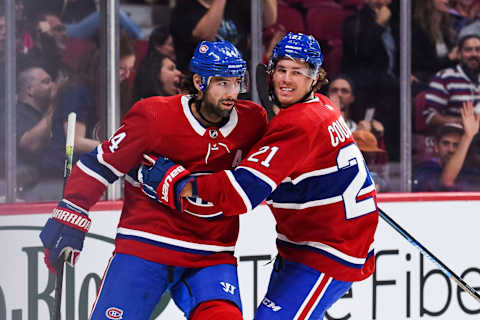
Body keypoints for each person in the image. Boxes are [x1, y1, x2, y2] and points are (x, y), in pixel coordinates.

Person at [139, 32, 379, 319]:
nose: (286, 79)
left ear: (316, 77)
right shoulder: (322, 105)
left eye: (297, 72)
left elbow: (243, 193)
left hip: (328, 251)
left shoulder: (299, 123)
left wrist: (180, 184)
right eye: (281, 69)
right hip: (312, 243)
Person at [39, 40, 268, 319]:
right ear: (199, 81)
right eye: (222, 83)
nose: (232, 93)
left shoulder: (253, 121)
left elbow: (274, 169)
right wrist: (72, 212)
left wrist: (283, 117)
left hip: (212, 253)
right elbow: (101, 164)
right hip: (147, 245)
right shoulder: (154, 115)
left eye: (237, 82)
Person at [42, 32, 136, 177]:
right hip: (62, 173)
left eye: (131, 69)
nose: (127, 75)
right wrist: (118, 150)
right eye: (122, 68)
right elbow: (75, 141)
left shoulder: (112, 93)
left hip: (91, 172)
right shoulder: (78, 90)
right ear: (103, 66)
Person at [341, 0, 400, 160]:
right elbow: (361, 53)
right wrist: (379, 25)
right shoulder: (355, 22)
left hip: (392, 82)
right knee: (392, 90)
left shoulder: (399, 22)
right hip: (366, 83)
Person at [170, 0, 277, 72]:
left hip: (238, 82)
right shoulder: (184, 7)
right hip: (203, 86)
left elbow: (267, 20)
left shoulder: (236, 4)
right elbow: (205, 36)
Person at [15, 63, 62, 201]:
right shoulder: (17, 113)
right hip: (31, 190)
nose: (53, 85)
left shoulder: (42, 115)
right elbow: (30, 143)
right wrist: (54, 102)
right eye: (46, 82)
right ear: (30, 90)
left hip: (49, 183)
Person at [414, 100, 480, 191]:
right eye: (446, 143)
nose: (451, 149)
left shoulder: (470, 173)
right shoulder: (426, 169)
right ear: (436, 147)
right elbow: (447, 181)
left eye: (456, 145)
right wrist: (468, 136)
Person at [424, 34, 480, 132]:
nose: (474, 54)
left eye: (478, 50)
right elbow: (430, 117)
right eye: (468, 50)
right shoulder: (445, 77)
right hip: (456, 137)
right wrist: (461, 122)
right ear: (458, 54)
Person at [412, 0, 458, 92]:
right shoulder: (417, 27)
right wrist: (449, 58)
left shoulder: (447, 26)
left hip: (446, 77)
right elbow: (422, 64)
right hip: (426, 79)